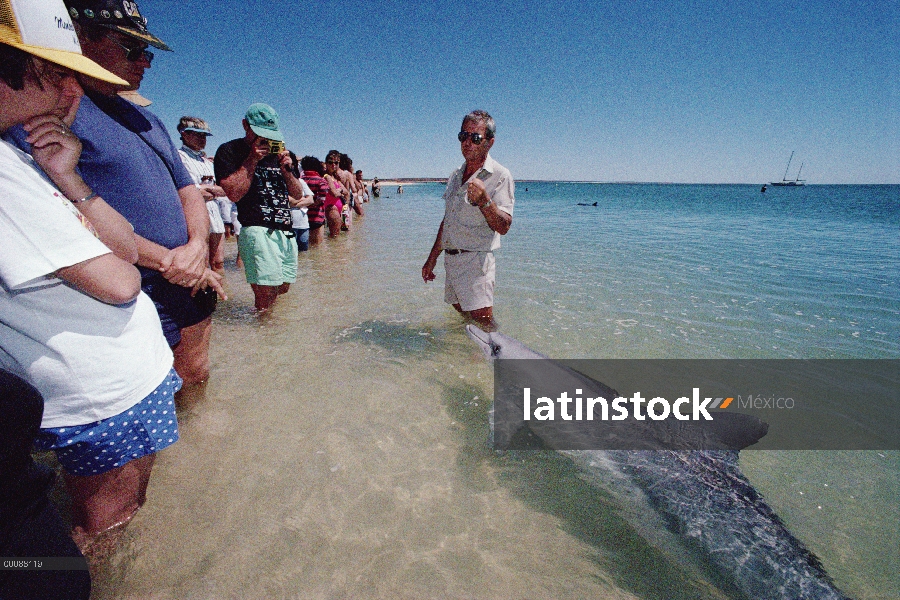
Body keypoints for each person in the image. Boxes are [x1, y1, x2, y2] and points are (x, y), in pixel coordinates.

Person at [0, 0, 181, 558]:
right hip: (97, 397)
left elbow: (123, 245)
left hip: (113, 387)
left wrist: (69, 176)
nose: (69, 91)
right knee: (105, 529)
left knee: (114, 516)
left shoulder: (27, 158)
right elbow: (122, 281)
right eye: (56, 72)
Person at [9, 0, 226, 388]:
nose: (145, 61)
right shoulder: (50, 107)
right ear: (80, 37)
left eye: (148, 53)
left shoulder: (148, 117)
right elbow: (53, 208)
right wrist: (171, 262)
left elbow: (188, 189)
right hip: (125, 285)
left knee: (195, 374)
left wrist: (196, 247)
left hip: (187, 272)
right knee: (147, 386)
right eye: (133, 49)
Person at [422, 110, 514, 330]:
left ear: (490, 142)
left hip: (475, 263)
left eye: (475, 138)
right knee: (463, 317)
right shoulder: (456, 174)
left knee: (484, 324)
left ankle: (496, 362)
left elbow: (504, 226)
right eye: (463, 136)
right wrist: (432, 257)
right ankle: (465, 361)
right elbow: (448, 220)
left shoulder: (500, 175)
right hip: (451, 261)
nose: (467, 142)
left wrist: (485, 202)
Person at [215, 104, 308, 312]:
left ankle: (267, 333)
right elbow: (233, 193)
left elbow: (297, 194)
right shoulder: (230, 151)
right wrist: (253, 159)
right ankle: (267, 332)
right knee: (265, 292)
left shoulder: (283, 154)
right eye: (260, 134)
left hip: (286, 232)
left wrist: (287, 171)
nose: (266, 140)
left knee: (282, 287)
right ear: (245, 125)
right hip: (257, 229)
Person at [177, 116, 229, 277]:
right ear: (184, 134)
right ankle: (202, 300)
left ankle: (221, 300)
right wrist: (211, 190)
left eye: (204, 135)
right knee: (200, 263)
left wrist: (207, 190)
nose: (202, 139)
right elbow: (189, 191)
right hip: (193, 214)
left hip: (214, 212)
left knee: (218, 262)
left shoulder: (208, 163)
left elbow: (225, 190)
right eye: (198, 135)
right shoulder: (179, 158)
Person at [288, 151, 314, 251]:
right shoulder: (280, 181)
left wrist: (294, 202)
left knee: (304, 256)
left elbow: (311, 199)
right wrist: (302, 199)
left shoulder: (300, 181)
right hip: (289, 226)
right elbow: (285, 201)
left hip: (303, 225)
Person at [300, 155, 328, 247]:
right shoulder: (321, 180)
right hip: (317, 216)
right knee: (317, 247)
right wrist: (313, 204)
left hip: (302, 216)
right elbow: (322, 197)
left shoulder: (300, 180)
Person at [323, 150, 348, 237]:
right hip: (331, 208)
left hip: (340, 208)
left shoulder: (335, 178)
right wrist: (340, 190)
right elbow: (334, 193)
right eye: (330, 162)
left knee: (340, 235)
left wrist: (340, 190)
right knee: (335, 236)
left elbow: (346, 191)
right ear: (326, 164)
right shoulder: (327, 177)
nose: (333, 165)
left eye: (336, 163)